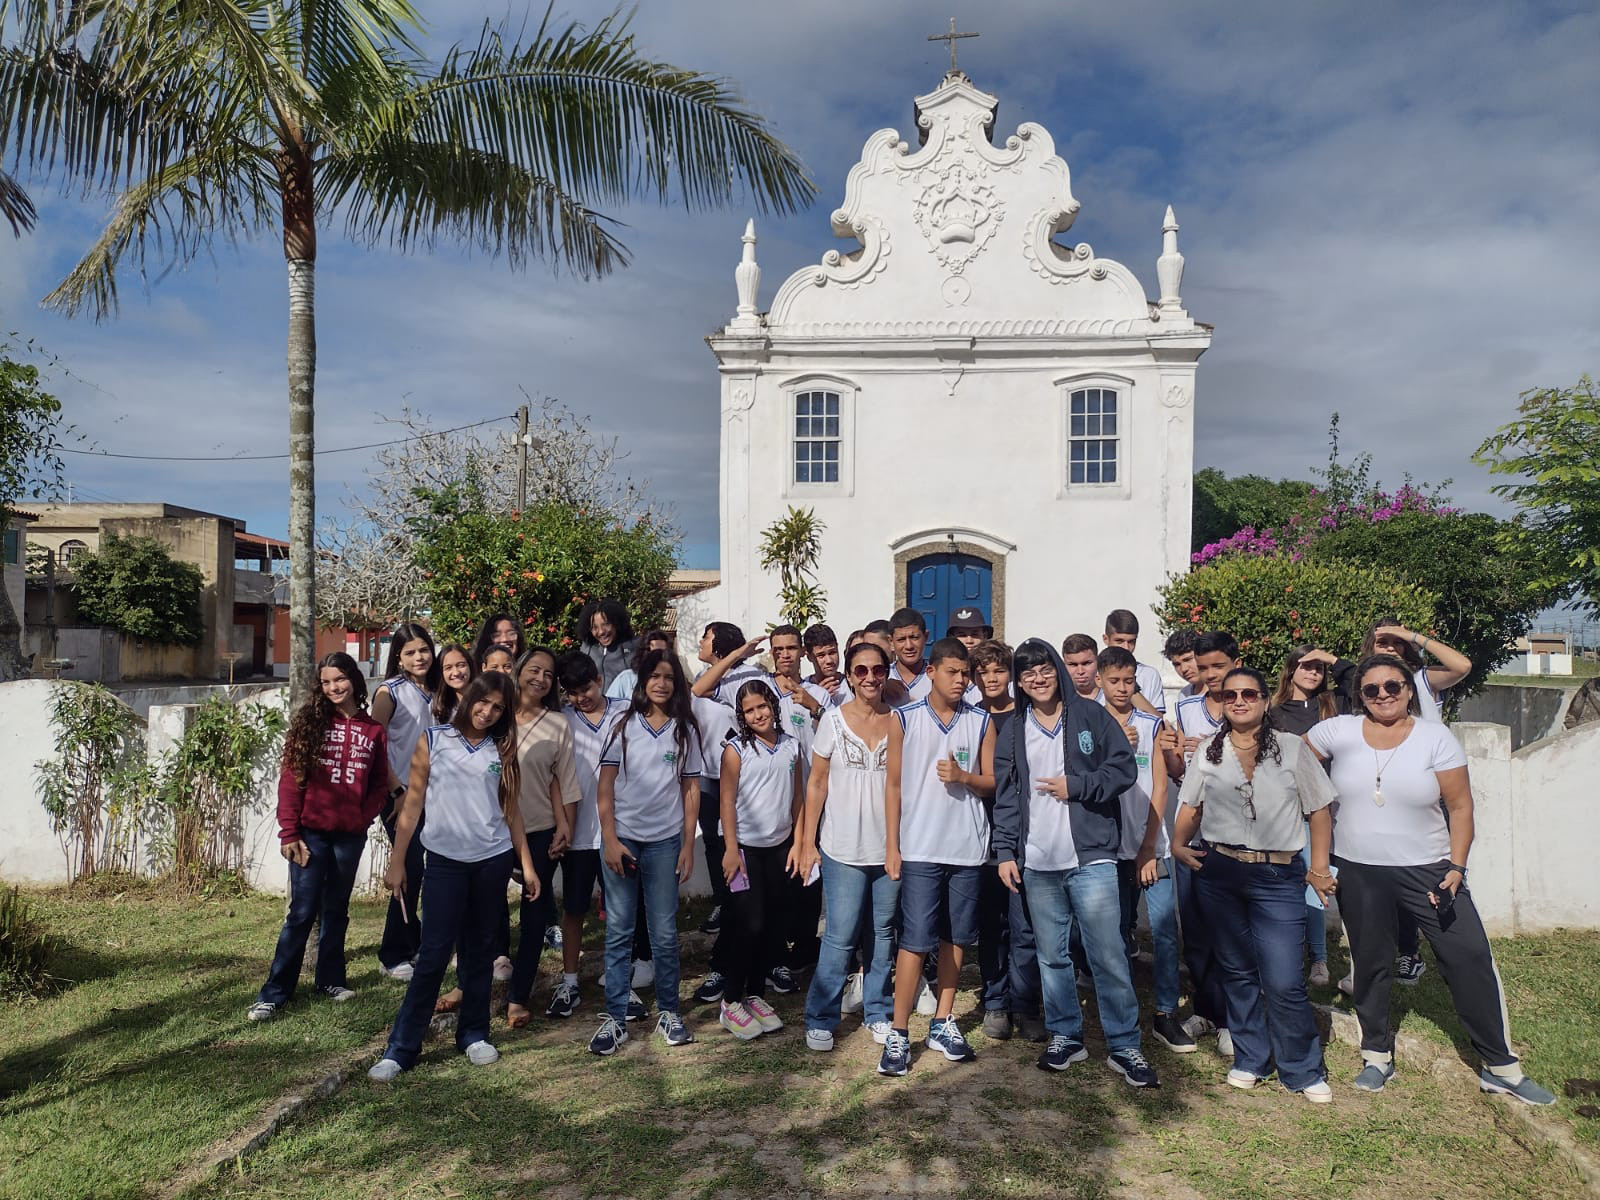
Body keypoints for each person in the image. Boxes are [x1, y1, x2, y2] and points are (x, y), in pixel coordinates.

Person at [1305, 655, 1555, 1106]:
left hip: (1431, 869)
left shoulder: (1433, 737)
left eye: (1393, 687)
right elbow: (1284, 761)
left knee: (1469, 956)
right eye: (1372, 689)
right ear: (1359, 694)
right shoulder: (1335, 732)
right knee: (1371, 961)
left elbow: (1460, 807)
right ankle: (1376, 1055)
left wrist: (1457, 866)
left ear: (1408, 689)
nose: (1383, 695)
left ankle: (1501, 1066)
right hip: (1360, 870)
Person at [993, 639, 1157, 1087]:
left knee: (1108, 954)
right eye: (1026, 674)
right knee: (1052, 957)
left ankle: (1125, 1045)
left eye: (1044, 669)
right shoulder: (1013, 727)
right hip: (1038, 863)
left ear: (1057, 671)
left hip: (1091, 859)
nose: (1037, 679)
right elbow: (1007, 796)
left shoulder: (1088, 715)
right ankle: (1066, 1035)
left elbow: (1123, 768)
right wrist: (1006, 852)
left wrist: (1078, 786)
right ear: (1019, 681)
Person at [1172, 667, 1336, 1103]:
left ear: (1265, 701)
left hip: (1277, 876)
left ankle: (1302, 1069)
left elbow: (1319, 810)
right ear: (1222, 703)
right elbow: (1190, 803)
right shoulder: (1209, 750)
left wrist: (1318, 869)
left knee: (1284, 978)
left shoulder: (1291, 748)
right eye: (1230, 695)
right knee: (1237, 972)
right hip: (1221, 871)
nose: (1239, 701)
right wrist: (1177, 844)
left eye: (1248, 694)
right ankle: (1251, 1058)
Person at [368, 672, 540, 1080]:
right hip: (445, 861)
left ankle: (474, 1033)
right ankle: (402, 1047)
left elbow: (512, 811)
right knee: (432, 955)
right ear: (470, 698)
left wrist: (527, 864)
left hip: (492, 861)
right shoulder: (435, 738)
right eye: (484, 702)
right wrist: (398, 861)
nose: (488, 712)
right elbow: (412, 805)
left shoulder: (503, 747)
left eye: (498, 707)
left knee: (480, 951)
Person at [249, 653, 388, 1021]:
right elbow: (290, 782)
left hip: (349, 837)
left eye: (339, 679)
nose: (333, 688)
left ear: (354, 681)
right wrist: (289, 832)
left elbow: (378, 784)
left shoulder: (374, 730)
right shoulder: (309, 724)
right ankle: (275, 992)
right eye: (326, 682)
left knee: (337, 910)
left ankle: (330, 980)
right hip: (309, 835)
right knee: (301, 912)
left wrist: (363, 816)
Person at [880, 637, 996, 1076]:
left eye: (966, 673)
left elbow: (993, 782)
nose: (961, 680)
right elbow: (892, 786)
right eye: (953, 672)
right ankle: (898, 1030)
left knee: (957, 938)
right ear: (932, 672)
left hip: (967, 847)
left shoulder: (981, 720)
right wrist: (893, 845)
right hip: (921, 847)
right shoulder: (905, 719)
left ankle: (944, 1020)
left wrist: (965, 776)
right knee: (914, 941)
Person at [589, 650, 704, 1056]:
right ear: (642, 682)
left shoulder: (685, 729)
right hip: (623, 840)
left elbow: (691, 789)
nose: (661, 683)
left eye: (669, 677)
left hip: (665, 843)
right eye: (654, 676)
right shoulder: (622, 726)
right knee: (620, 929)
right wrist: (611, 839)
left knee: (665, 933)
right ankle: (616, 1017)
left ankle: (670, 1012)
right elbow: (604, 788)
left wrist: (688, 844)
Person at [1351, 620, 1475, 988]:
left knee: (1432, 880)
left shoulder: (1422, 680)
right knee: (1381, 883)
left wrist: (1412, 637)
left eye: (1394, 642)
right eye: (1381, 641)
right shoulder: (1364, 689)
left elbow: (1462, 667)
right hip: (1379, 791)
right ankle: (1390, 958)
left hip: (1426, 792)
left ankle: (1433, 954)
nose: (1388, 647)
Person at [797, 641, 899, 1055]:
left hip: (890, 847)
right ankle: (821, 1016)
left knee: (882, 934)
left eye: (877, 670)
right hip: (842, 847)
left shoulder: (900, 721)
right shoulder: (833, 721)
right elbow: (816, 783)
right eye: (861, 671)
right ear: (849, 674)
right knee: (839, 936)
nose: (870, 678)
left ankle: (877, 1010)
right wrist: (807, 842)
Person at [1097, 645, 1192, 1053]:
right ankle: (1121, 1014)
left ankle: (1165, 1014)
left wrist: (1149, 847)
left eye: (1128, 681)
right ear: (1099, 680)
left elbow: (1160, 784)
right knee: (1114, 933)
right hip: (1107, 846)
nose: (1122, 688)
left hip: (1154, 845)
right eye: (1114, 680)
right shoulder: (1089, 724)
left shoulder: (1152, 726)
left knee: (1165, 931)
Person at [547, 653, 636, 1021]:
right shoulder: (562, 720)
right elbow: (554, 776)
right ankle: (569, 982)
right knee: (574, 909)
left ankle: (622, 985)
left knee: (621, 912)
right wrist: (561, 823)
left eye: (585, 689)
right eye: (571, 692)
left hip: (619, 830)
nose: (580, 698)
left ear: (599, 679)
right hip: (579, 831)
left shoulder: (628, 711)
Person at [714, 680, 804, 1040]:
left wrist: (800, 843)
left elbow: (798, 798)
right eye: (750, 710)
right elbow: (726, 801)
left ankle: (755, 995)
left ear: (773, 705)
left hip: (779, 848)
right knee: (747, 926)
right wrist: (731, 850)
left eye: (763, 706)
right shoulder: (735, 750)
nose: (758, 714)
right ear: (743, 715)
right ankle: (731, 1000)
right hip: (745, 849)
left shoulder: (792, 746)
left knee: (770, 926)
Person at [1164, 630, 1239, 1053]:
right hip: (1194, 828)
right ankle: (1206, 1010)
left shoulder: (1248, 703)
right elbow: (1179, 772)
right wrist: (1176, 751)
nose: (1208, 674)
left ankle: (1233, 1016)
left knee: (1230, 927)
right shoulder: (1187, 705)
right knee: (1194, 926)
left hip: (1237, 831)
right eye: (1203, 666)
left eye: (1217, 666)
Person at [968, 638, 1043, 1042]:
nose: (992, 678)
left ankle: (1026, 1002)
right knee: (991, 923)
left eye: (999, 670)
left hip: (1024, 834)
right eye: (983, 672)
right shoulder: (972, 718)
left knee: (1025, 923)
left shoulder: (1029, 716)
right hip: (982, 835)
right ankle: (996, 1001)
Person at [501, 647, 580, 1028]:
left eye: (549, 674)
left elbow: (565, 781)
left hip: (541, 831)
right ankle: (469, 985)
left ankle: (518, 996)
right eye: (535, 670)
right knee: (481, 913)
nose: (541, 679)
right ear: (518, 672)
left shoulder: (558, 724)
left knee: (533, 919)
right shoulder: (495, 714)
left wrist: (566, 827)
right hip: (491, 832)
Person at [1270, 644, 1350, 988]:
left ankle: (1318, 960)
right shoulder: (1274, 710)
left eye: (1320, 668)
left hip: (1323, 811)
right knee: (1284, 890)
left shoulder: (1332, 704)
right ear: (1291, 669)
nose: (1314, 672)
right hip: (1285, 809)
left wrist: (1333, 659)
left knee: (1316, 886)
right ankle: (1286, 956)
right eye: (1306, 666)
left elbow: (1360, 679)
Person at [371, 622, 441, 980]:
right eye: (411, 652)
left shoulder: (440, 689)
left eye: (424, 650)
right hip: (399, 795)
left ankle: (416, 944)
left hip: (437, 794)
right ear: (398, 657)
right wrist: (396, 789)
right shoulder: (389, 692)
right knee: (409, 868)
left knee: (433, 871)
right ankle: (393, 954)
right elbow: (374, 745)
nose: (419, 657)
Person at [1103, 609, 1168, 714]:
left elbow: (1157, 721)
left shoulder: (1149, 675)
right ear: (1106, 639)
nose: (1126, 647)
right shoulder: (1093, 672)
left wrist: (1132, 689)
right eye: (1119, 641)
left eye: (1131, 642)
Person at [576, 598, 640, 689]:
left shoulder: (635, 646)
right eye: (594, 627)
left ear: (617, 623)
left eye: (606, 624)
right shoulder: (587, 649)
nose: (601, 631)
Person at [606, 628, 675, 701]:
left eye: (662, 652)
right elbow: (609, 707)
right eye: (654, 653)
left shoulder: (676, 680)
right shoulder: (627, 678)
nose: (657, 657)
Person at [801, 623, 851, 710]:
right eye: (821, 655)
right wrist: (818, 697)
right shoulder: (804, 690)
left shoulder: (852, 686)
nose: (829, 661)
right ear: (809, 657)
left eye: (832, 652)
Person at [887, 608, 932, 703]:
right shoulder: (881, 677)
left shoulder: (937, 676)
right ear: (891, 642)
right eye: (901, 639)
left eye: (914, 637)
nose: (909, 646)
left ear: (926, 637)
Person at [1162, 630, 1203, 700]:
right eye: (1177, 664)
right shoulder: (1184, 695)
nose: (1184, 669)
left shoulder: (1224, 692)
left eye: (1188, 659)